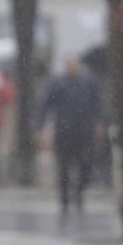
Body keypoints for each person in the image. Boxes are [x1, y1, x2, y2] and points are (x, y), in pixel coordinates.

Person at [38, 56, 101, 218]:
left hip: (84, 131)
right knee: (63, 168)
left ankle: (79, 194)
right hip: (64, 132)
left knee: (86, 165)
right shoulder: (58, 83)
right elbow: (46, 105)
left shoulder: (88, 83)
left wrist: (98, 123)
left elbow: (96, 103)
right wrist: (43, 128)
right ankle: (64, 200)